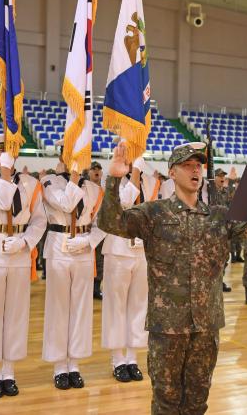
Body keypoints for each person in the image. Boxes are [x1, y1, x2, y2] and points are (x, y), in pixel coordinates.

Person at [99, 141, 247, 415]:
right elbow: (111, 222)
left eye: (198, 165)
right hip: (168, 330)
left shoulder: (219, 216)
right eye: (187, 165)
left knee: (198, 403)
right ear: (172, 173)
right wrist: (114, 179)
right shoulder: (154, 213)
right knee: (166, 404)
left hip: (206, 328)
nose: (195, 170)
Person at [0, 134, 47, 398]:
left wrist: (26, 242)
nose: (4, 154)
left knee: (16, 312)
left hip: (18, 247)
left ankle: (10, 371)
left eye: (9, 150)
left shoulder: (31, 183)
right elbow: (2, 202)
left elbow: (39, 220)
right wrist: (5, 173)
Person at [40, 143, 107, 389]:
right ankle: (59, 365)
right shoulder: (49, 181)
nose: (77, 159)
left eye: (81, 156)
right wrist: (76, 175)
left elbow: (102, 222)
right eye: (71, 155)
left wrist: (89, 241)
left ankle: (75, 364)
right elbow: (67, 204)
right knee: (59, 308)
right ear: (61, 157)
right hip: (59, 244)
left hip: (82, 248)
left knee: (81, 307)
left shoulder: (94, 188)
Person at [101, 156, 153, 383]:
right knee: (116, 306)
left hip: (142, 250)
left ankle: (132, 358)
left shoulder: (150, 181)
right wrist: (133, 176)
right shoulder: (114, 178)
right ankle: (117, 359)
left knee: (139, 305)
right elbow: (121, 205)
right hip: (118, 249)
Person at [88, 160, 105, 300]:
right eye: (93, 168)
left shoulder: (104, 191)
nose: (96, 170)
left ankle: (96, 288)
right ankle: (88, 287)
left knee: (100, 261)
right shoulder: (84, 188)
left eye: (99, 168)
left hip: (100, 231)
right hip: (86, 231)